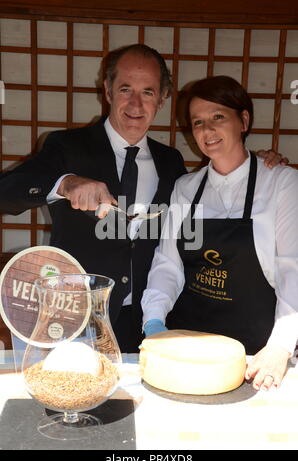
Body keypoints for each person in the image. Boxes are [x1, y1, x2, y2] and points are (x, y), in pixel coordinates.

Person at [0, 46, 287, 353]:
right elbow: (7, 193)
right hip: (75, 320)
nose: (135, 104)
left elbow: (194, 220)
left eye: (148, 92)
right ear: (108, 91)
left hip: (147, 324)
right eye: (125, 89)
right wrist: (66, 183)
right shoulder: (67, 147)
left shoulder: (171, 163)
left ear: (161, 99)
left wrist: (256, 165)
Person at [141, 75, 298, 391]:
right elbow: (167, 263)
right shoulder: (186, 188)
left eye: (217, 117)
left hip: (257, 351)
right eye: (197, 122)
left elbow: (291, 268)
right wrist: (154, 323)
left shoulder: (281, 183)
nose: (206, 130)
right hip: (187, 345)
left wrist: (280, 347)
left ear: (243, 120)